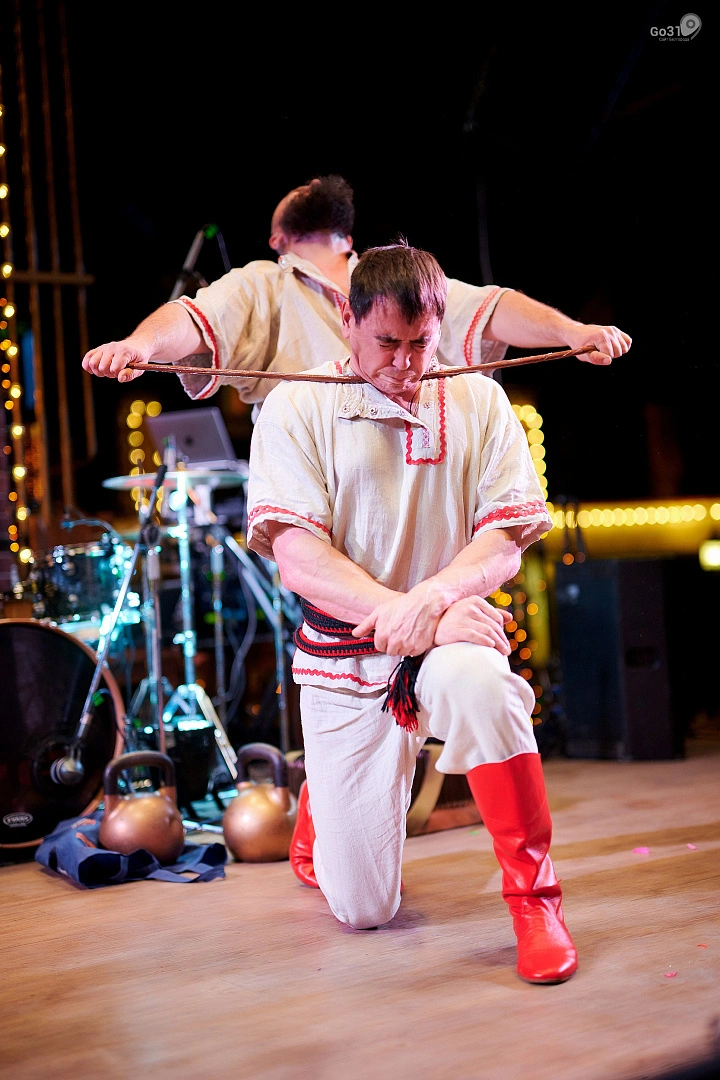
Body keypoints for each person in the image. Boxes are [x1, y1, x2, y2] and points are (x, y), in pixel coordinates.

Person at [244, 242, 578, 985]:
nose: (403, 363)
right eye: (386, 342)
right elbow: (300, 561)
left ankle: (537, 903)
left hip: (447, 635)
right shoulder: (297, 404)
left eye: (420, 344)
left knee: (488, 688)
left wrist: (432, 602)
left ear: (440, 326)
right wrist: (419, 612)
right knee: (363, 910)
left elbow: (503, 540)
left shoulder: (480, 399)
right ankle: (322, 806)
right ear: (348, 319)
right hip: (345, 657)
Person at [81, 174, 631, 400]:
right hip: (320, 482)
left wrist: (573, 333)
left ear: (347, 235)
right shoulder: (263, 283)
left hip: (417, 474)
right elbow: (194, 317)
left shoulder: (391, 274)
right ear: (278, 238)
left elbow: (487, 308)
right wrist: (138, 346)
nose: (312, 182)